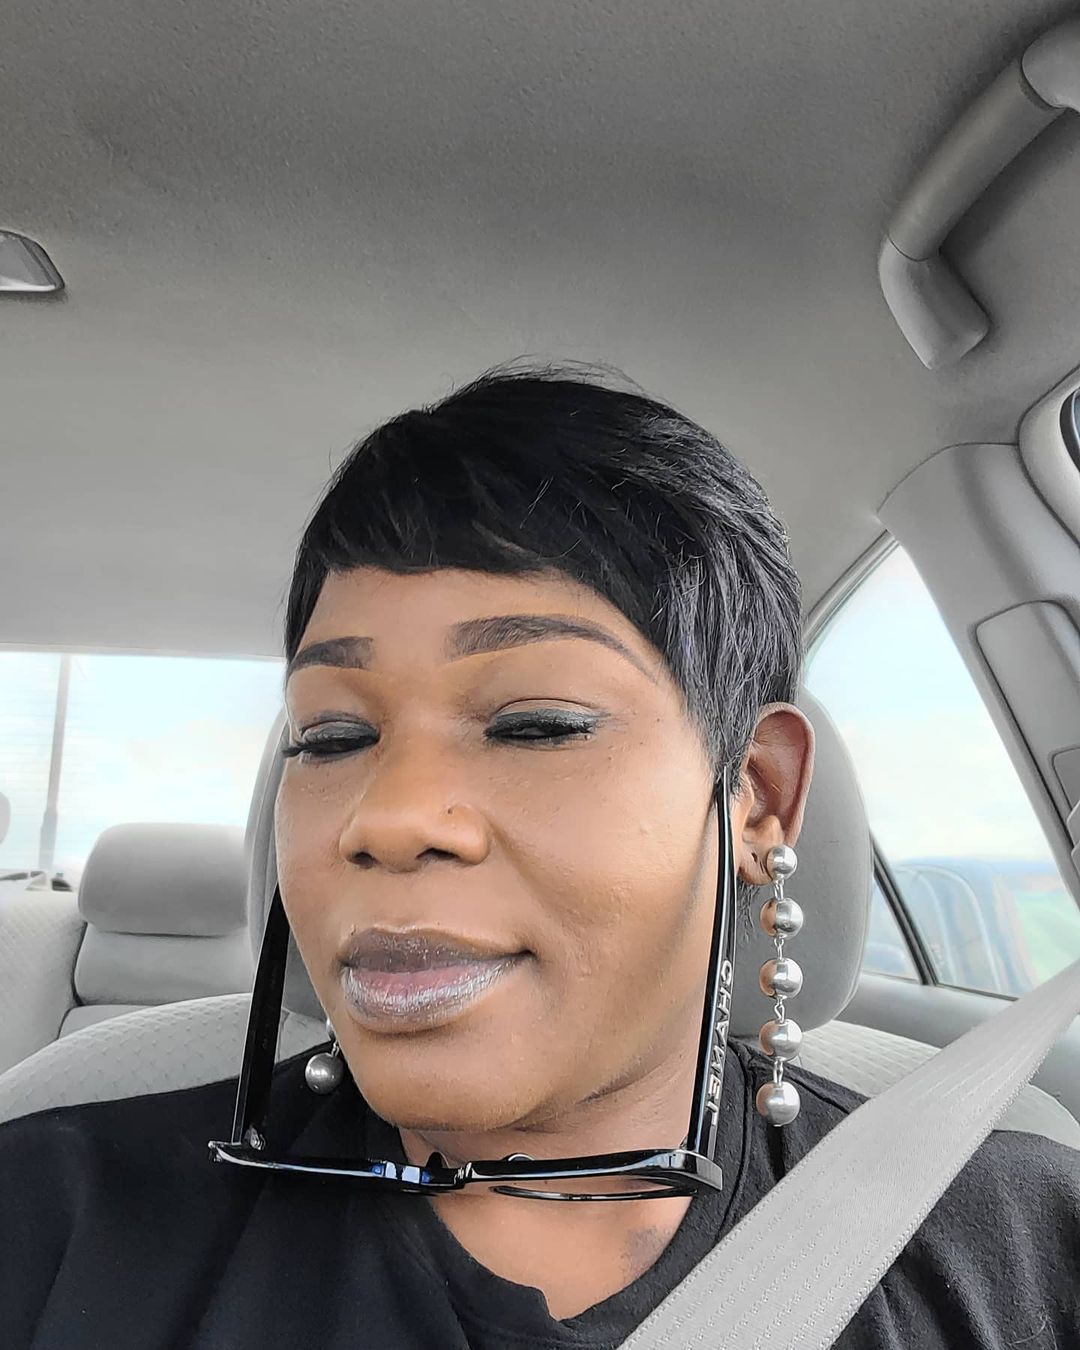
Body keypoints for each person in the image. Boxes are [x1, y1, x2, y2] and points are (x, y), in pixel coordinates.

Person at [2, 367, 1077, 1349]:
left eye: (537, 725)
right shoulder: (47, 1214)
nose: (387, 819)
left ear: (754, 797)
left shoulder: (1020, 1252)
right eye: (330, 737)